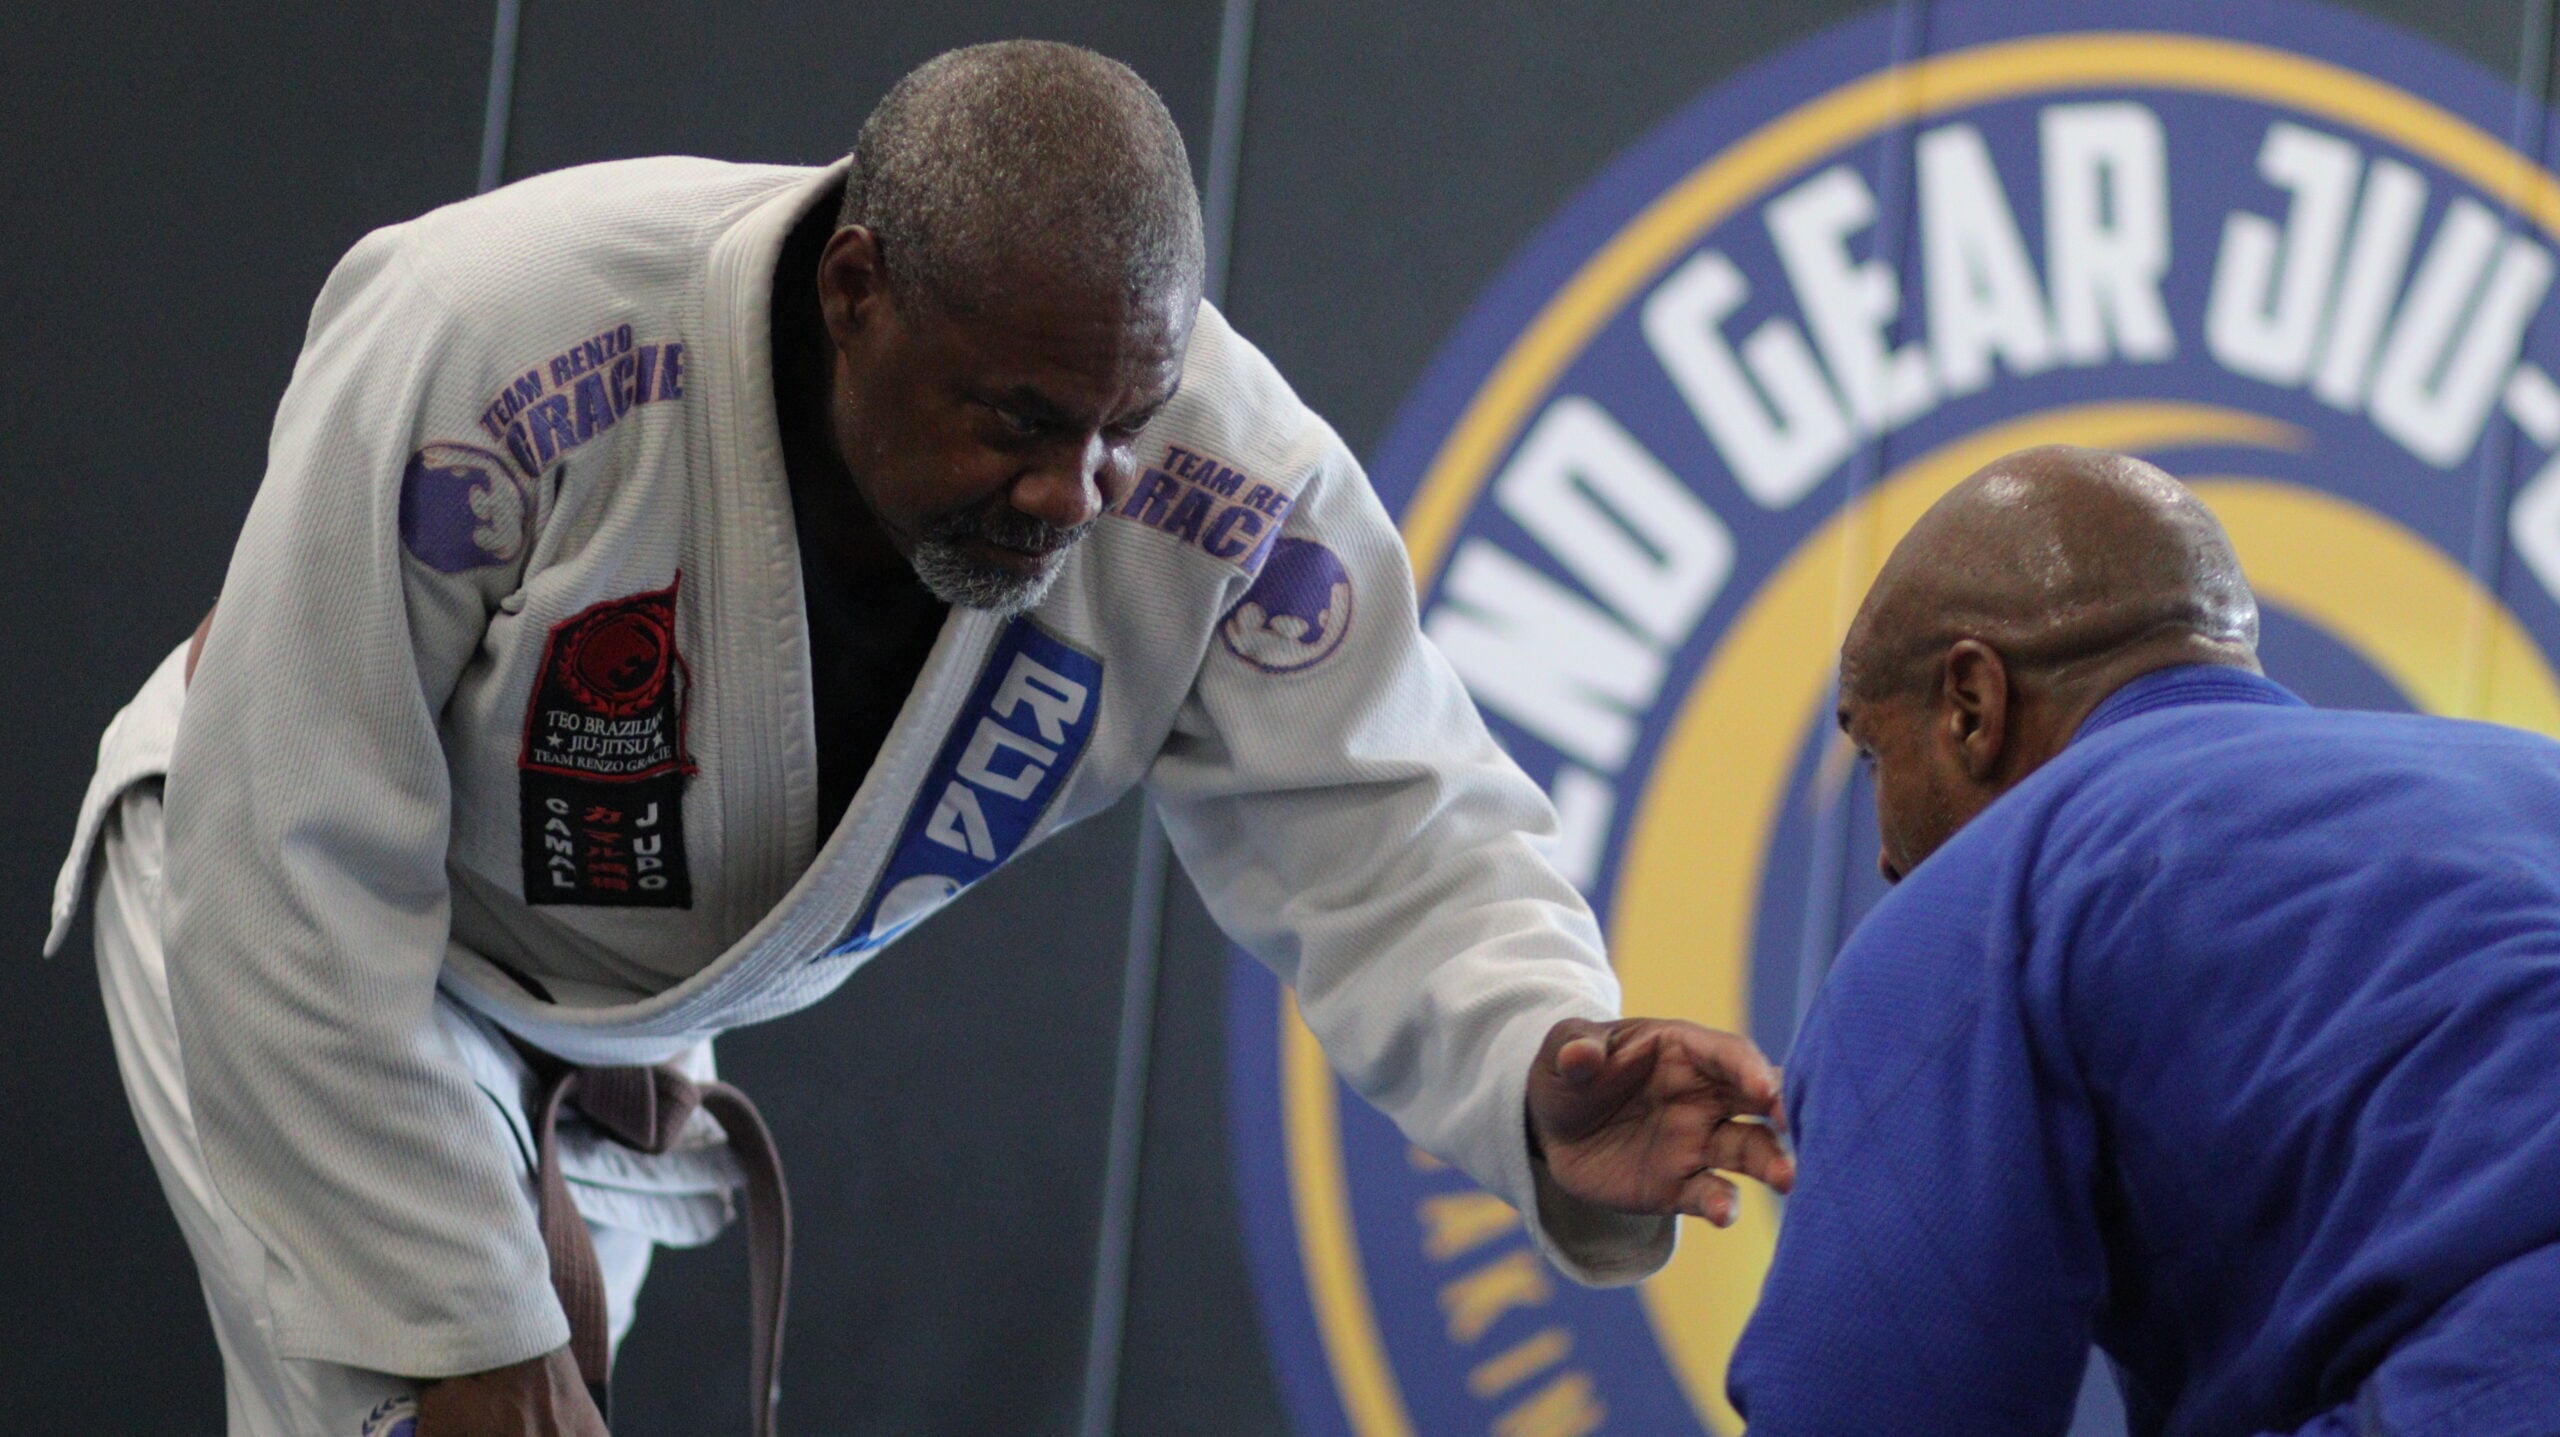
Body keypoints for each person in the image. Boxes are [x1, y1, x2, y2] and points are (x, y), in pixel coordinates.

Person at [46, 40, 1792, 1437]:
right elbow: (284, 833)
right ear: (856, 291)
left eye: (1118, 427)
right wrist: (464, 1324)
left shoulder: (1224, 484)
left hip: (613, 1019)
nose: (1071, 492)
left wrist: (1537, 1057)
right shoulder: (506, 328)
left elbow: (1397, 831)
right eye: (1018, 421)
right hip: (278, 923)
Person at [1726, 445, 2560, 1436]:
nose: (1881, 857)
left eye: (1872, 752)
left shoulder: (1988, 899)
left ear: (1970, 705)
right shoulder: (2533, 775)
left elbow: (1867, 1409)